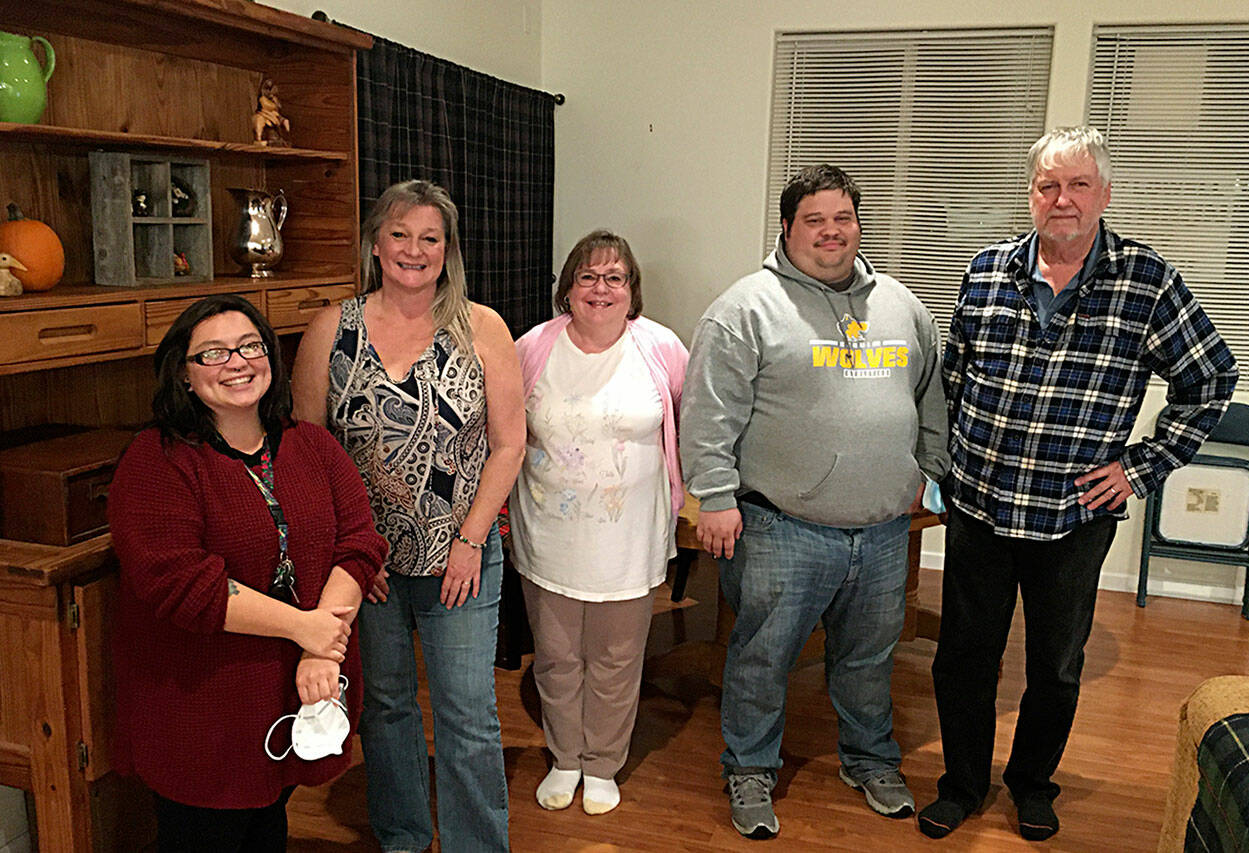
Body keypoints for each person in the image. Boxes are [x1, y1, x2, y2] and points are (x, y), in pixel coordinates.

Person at [918, 126, 1238, 842]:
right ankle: (962, 784)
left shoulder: (1146, 281)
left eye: (1077, 185)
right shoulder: (987, 269)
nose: (1061, 199)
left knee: (1056, 666)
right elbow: (954, 372)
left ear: (1104, 194)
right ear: (1031, 194)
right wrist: (942, 465)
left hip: (1072, 515)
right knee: (964, 657)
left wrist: (1138, 466)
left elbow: (1211, 377)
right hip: (981, 503)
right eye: (1047, 185)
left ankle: (1032, 783)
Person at [680, 164, 949, 840]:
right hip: (781, 527)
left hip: (885, 528)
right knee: (762, 658)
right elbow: (708, 414)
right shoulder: (746, 308)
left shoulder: (902, 305)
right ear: (787, 227)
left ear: (859, 224)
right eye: (815, 220)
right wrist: (714, 494)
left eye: (843, 218)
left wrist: (931, 470)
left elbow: (931, 398)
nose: (831, 232)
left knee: (868, 657)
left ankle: (869, 759)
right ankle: (749, 768)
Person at [108, 294, 387, 852]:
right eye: (212, 354)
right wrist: (303, 628)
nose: (236, 362)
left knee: (267, 827)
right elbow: (185, 585)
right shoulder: (155, 461)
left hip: (288, 698)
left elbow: (358, 545)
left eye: (249, 346)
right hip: (201, 714)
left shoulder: (311, 444)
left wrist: (318, 648)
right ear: (184, 376)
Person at [293, 179, 525, 852]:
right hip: (365, 568)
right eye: (400, 234)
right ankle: (402, 837)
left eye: (430, 237)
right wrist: (349, 554)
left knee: (467, 713)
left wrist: (470, 538)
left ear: (447, 251)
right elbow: (308, 453)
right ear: (375, 242)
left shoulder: (483, 327)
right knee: (386, 705)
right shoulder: (331, 328)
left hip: (462, 556)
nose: (414, 250)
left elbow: (510, 442)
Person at [508, 229, 688, 816]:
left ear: (632, 290)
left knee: (616, 659)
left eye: (615, 278)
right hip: (549, 539)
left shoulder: (660, 348)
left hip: (629, 543)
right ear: (568, 287)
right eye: (588, 276)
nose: (601, 288)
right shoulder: (533, 347)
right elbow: (503, 432)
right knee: (558, 657)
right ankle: (565, 758)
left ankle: (603, 762)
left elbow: (696, 424)